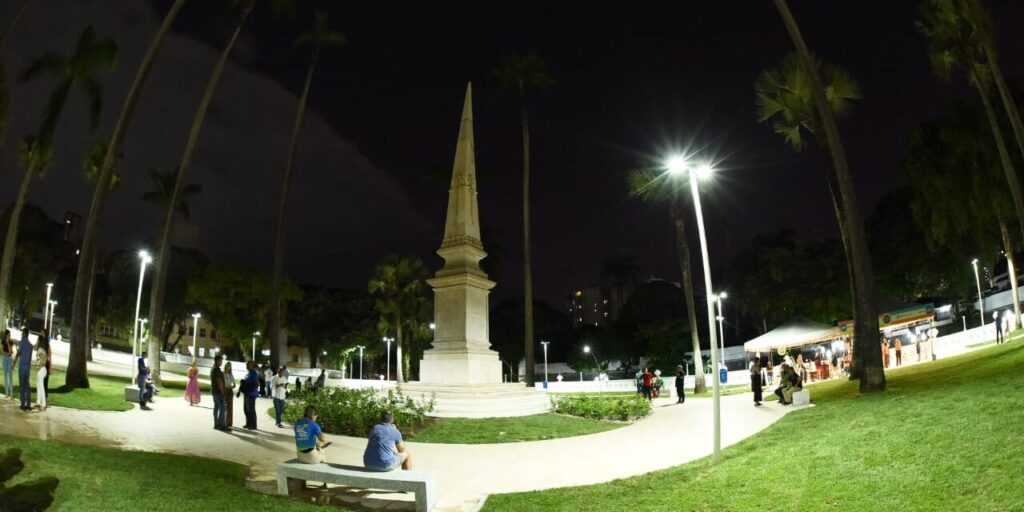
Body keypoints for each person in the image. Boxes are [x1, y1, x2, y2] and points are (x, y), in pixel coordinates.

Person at [13, 329, 32, 411]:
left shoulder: (22, 342)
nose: (21, 335)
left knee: (22, 386)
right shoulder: (30, 345)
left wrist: (14, 362)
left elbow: (19, 353)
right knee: (27, 386)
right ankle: (28, 404)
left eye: (22, 333)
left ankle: (23, 404)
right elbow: (29, 358)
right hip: (27, 368)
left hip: (22, 367)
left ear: (24, 334)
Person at [239, 361, 260, 429]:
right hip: (246, 393)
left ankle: (253, 425)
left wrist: (249, 385)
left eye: (248, 365)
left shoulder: (254, 373)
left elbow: (257, 384)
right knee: (246, 409)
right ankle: (248, 423)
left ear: (252, 365)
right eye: (246, 365)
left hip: (251, 394)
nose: (247, 366)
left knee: (251, 410)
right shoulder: (248, 373)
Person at [211, 355, 227, 431]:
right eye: (220, 361)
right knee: (222, 408)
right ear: (217, 361)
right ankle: (222, 425)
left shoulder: (213, 368)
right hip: (218, 392)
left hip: (214, 391)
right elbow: (219, 381)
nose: (221, 362)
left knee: (216, 407)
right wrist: (223, 392)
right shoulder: (217, 369)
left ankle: (216, 424)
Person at [35, 335, 48, 411]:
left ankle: (43, 404)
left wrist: (39, 367)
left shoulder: (41, 350)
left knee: (41, 387)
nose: (36, 342)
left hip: (41, 370)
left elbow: (43, 360)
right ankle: (38, 403)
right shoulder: (42, 350)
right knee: (39, 386)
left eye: (37, 340)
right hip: (42, 370)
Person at [223, 362, 236, 428]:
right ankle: (223, 421)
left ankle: (229, 422)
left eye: (229, 366)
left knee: (230, 408)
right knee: (224, 407)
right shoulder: (223, 374)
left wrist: (231, 386)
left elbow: (234, 384)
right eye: (227, 366)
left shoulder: (231, 375)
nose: (228, 367)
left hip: (229, 391)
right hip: (224, 391)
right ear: (225, 366)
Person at [1, 329, 13, 397]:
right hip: (5, 359)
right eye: (8, 334)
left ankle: (11, 394)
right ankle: (7, 393)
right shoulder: (2, 341)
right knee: (5, 376)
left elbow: (11, 351)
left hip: (9, 359)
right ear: (6, 335)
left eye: (10, 335)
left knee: (10, 376)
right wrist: (7, 353)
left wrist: (8, 343)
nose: (9, 336)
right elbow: (1, 351)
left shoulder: (11, 342)